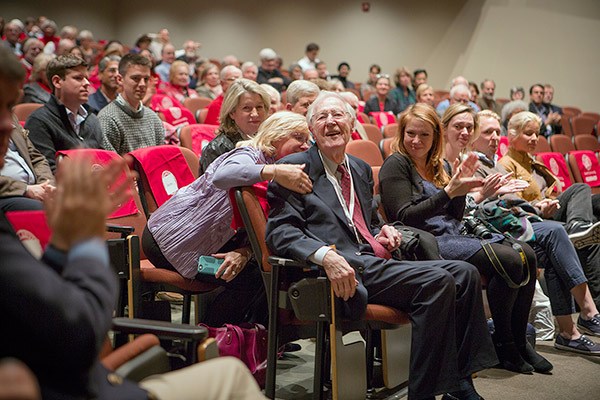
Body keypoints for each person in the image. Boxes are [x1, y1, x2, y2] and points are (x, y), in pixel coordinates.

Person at [0, 44, 267, 400]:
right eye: (1, 106)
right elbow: (79, 333)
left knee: (251, 271)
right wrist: (83, 241)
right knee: (231, 374)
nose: (9, 122)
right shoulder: (100, 119)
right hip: (85, 384)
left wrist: (67, 243)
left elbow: (42, 314)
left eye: (8, 107)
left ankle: (231, 335)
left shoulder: (129, 120)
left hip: (80, 373)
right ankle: (221, 335)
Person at [267, 92, 498, 400]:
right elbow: (281, 232)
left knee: (466, 274)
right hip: (339, 269)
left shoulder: (360, 169)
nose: (331, 122)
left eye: (338, 116)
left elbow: (367, 222)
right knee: (440, 280)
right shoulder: (294, 168)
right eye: (322, 117)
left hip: (371, 260)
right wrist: (325, 257)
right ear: (312, 129)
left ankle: (461, 382)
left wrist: (383, 229)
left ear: (352, 125)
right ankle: (424, 394)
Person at [379, 103, 541, 375]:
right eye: (410, 134)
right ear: (402, 134)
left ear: (435, 138)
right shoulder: (396, 163)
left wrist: (460, 188)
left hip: (454, 234)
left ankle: (518, 343)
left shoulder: (438, 164)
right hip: (428, 242)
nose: (416, 141)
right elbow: (404, 217)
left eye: (425, 135)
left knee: (528, 254)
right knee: (512, 260)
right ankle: (505, 345)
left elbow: (455, 215)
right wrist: (449, 191)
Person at [143, 111, 311, 325]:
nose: (305, 146)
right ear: (276, 135)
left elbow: (260, 226)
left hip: (210, 243)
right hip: (170, 240)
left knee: (266, 272)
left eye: (307, 140)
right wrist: (275, 171)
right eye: (298, 137)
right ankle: (213, 340)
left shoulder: (280, 173)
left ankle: (248, 337)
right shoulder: (249, 154)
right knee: (254, 278)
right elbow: (223, 176)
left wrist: (243, 253)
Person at [468, 110, 600, 355]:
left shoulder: (494, 164)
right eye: (488, 132)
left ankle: (569, 332)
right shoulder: (475, 165)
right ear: (474, 137)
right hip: (500, 229)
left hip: (524, 220)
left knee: (570, 231)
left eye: (498, 132)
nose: (495, 137)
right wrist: (535, 208)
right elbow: (486, 206)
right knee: (557, 235)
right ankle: (588, 314)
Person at [499, 111, 600, 304]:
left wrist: (548, 201)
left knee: (594, 220)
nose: (535, 138)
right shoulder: (506, 165)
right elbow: (511, 202)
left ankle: (581, 228)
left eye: (537, 134)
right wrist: (538, 205)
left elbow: (553, 191)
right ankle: (578, 226)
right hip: (535, 218)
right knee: (581, 187)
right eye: (528, 133)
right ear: (512, 135)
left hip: (552, 210)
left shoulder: (533, 163)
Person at [25, 54, 103, 172]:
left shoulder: (92, 119)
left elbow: (105, 159)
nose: (87, 83)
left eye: (86, 78)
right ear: (57, 82)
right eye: (78, 78)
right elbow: (47, 172)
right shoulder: (39, 121)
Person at [98, 53, 165, 155]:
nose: (142, 84)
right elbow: (109, 166)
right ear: (120, 79)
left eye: (146, 79)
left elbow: (160, 159)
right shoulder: (107, 119)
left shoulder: (154, 118)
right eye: (136, 78)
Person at [199, 79, 268, 174]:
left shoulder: (269, 140)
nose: (255, 114)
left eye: (259, 107)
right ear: (232, 113)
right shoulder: (217, 149)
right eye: (247, 108)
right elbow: (214, 187)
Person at [0, 119, 55, 212]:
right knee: (49, 210)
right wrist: (25, 189)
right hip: (7, 194)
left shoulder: (9, 115)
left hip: (35, 187)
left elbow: (36, 158)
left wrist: (47, 185)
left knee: (78, 202)